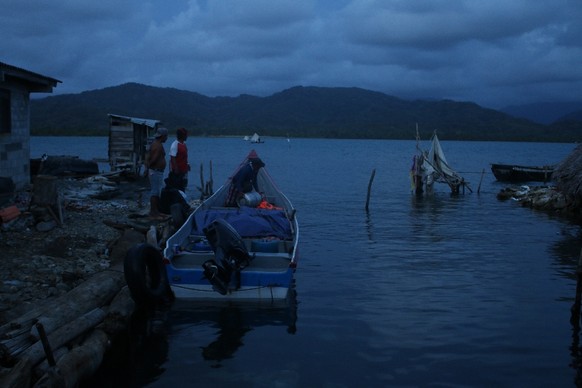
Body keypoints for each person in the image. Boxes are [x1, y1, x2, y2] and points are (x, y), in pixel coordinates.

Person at [145, 127, 169, 219]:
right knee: (155, 192)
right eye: (166, 136)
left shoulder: (155, 144)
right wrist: (148, 168)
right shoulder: (158, 146)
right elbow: (154, 159)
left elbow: (147, 156)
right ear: (162, 136)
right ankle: (153, 213)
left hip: (155, 171)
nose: (167, 138)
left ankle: (156, 211)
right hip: (155, 171)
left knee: (156, 191)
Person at [168, 127, 190, 192]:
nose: (187, 137)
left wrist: (187, 164)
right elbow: (173, 157)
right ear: (182, 135)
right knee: (177, 185)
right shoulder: (175, 145)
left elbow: (184, 156)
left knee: (183, 185)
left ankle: (183, 199)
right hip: (178, 171)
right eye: (186, 135)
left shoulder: (184, 144)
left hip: (184, 169)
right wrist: (176, 168)